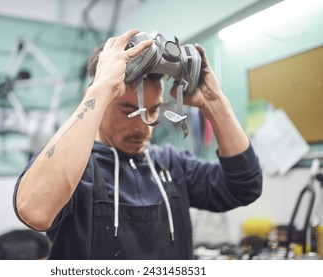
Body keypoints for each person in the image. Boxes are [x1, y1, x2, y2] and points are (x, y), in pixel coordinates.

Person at [13, 29, 262, 260]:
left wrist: (215, 102)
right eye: (129, 111)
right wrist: (100, 89)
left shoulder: (172, 164)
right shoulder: (75, 166)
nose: (144, 126)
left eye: (153, 111)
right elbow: (34, 211)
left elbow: (245, 186)